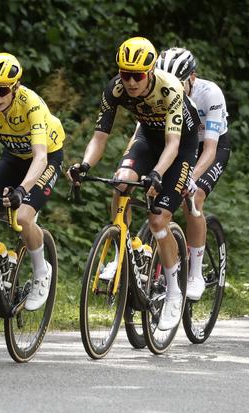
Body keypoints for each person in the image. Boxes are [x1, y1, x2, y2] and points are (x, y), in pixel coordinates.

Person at [67, 37, 200, 331]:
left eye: (137, 75)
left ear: (150, 71)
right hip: (147, 139)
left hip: (179, 146)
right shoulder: (115, 88)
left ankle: (174, 293)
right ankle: (120, 250)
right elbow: (100, 136)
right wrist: (85, 165)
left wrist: (156, 173)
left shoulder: (170, 89)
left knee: (157, 220)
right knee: (121, 181)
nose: (129, 81)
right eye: (124, 73)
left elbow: (173, 144)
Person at [0, 52, 65, 311]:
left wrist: (22, 190)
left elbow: (39, 157)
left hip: (46, 157)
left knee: (24, 216)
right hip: (13, 155)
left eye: (2, 90)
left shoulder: (32, 104)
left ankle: (41, 272)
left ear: (15, 87)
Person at [156, 47, 230, 300]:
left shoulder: (210, 94)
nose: (171, 88)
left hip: (211, 145)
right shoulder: (158, 92)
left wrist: (190, 176)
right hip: (177, 142)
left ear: (192, 78)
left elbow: (209, 149)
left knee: (194, 196)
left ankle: (196, 273)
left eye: (177, 83)